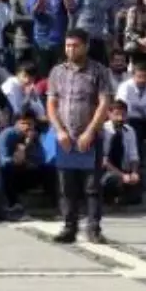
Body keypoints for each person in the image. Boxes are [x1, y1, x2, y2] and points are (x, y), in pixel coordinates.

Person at [46, 28, 112, 244]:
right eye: (67, 45)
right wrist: (59, 130)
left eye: (75, 45)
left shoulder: (99, 71)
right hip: (65, 136)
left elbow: (104, 103)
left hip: (90, 136)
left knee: (92, 186)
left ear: (86, 46)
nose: (70, 50)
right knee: (66, 186)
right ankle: (69, 226)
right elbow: (51, 103)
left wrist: (90, 131)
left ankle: (93, 228)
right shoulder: (57, 72)